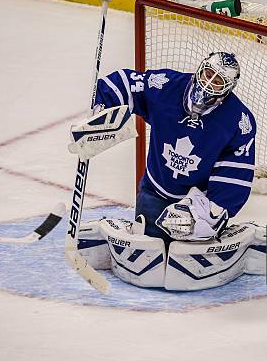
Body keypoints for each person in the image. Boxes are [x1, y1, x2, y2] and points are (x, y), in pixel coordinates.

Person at [94, 52, 256, 243]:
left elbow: (235, 174)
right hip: (154, 192)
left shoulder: (239, 120)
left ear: (228, 88)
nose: (209, 82)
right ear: (200, 69)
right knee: (146, 251)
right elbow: (129, 83)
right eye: (208, 73)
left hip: (195, 204)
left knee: (188, 261)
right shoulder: (167, 86)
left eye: (218, 81)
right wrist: (101, 103)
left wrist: (210, 211)